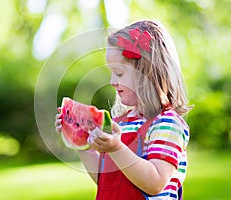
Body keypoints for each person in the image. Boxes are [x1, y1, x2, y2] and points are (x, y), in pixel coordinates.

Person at [56, 20, 192, 200]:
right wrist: (82, 144)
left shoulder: (167, 124)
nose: (112, 81)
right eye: (111, 73)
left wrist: (116, 148)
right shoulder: (121, 123)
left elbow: (155, 182)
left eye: (119, 73)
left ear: (147, 73)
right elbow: (105, 179)